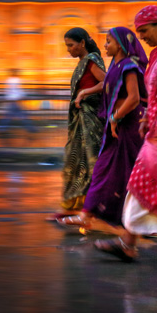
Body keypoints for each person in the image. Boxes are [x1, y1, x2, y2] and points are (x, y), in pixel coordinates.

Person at [95, 5, 157, 261]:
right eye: (138, 32)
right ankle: (128, 242)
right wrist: (148, 116)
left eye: (145, 30)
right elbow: (154, 95)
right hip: (156, 131)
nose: (142, 37)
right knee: (141, 184)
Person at [59, 27, 146, 232]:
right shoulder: (117, 65)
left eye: (109, 41)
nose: (104, 45)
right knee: (103, 169)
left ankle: (136, 219)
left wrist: (115, 117)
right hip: (113, 124)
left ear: (121, 44)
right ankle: (89, 213)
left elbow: (133, 98)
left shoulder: (127, 66)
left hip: (126, 125)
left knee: (128, 170)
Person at [57, 27, 106, 217]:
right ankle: (73, 204)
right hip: (81, 119)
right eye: (67, 46)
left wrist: (84, 92)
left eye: (71, 45)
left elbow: (106, 83)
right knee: (76, 161)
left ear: (82, 43)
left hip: (90, 120)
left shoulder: (91, 61)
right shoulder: (83, 63)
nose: (68, 49)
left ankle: (91, 208)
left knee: (89, 161)